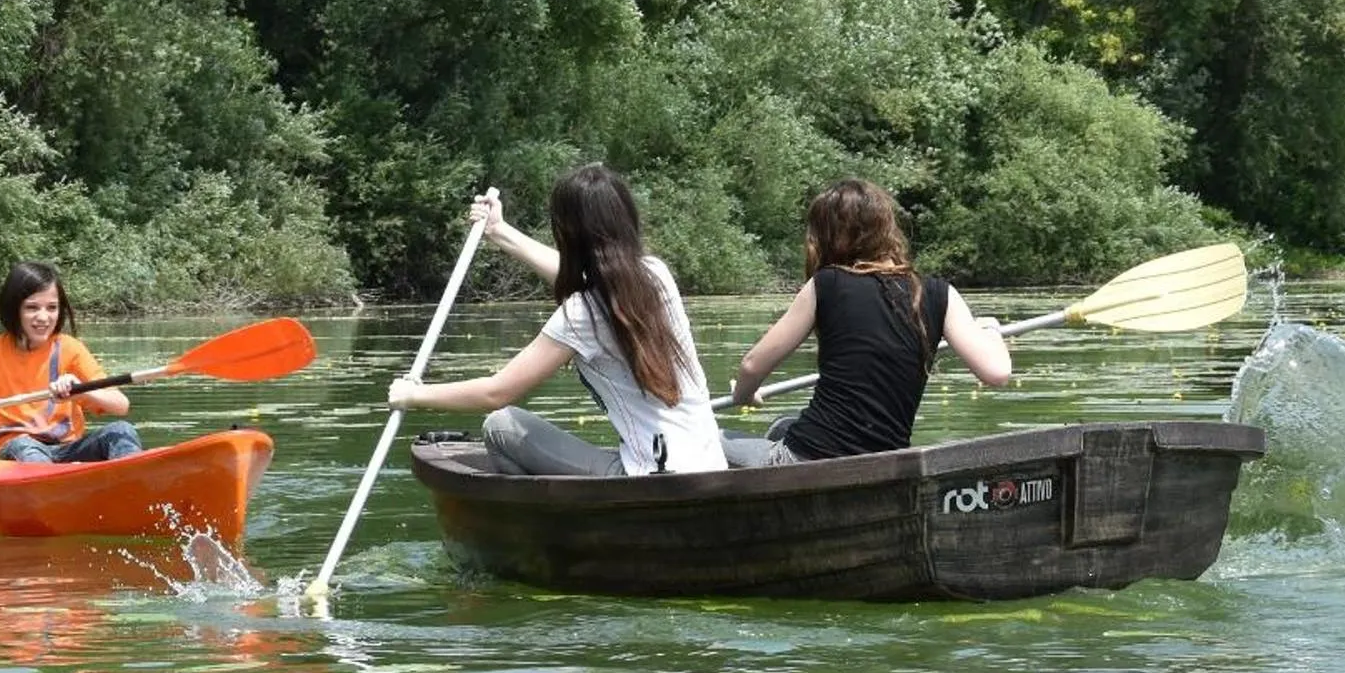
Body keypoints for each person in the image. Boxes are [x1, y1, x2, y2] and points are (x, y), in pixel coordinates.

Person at [386, 164, 726, 477]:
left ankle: (536, 527)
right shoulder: (656, 275)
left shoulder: (582, 314)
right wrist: (500, 231)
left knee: (502, 424)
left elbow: (497, 392)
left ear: (568, 233)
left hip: (644, 477)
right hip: (710, 467)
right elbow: (585, 279)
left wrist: (413, 396)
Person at [722, 177, 1012, 466]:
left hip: (805, 458)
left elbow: (751, 366)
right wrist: (990, 329)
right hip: (884, 463)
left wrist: (744, 395)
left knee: (704, 438)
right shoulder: (939, 292)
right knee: (783, 425)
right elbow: (997, 372)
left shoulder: (826, 284)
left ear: (827, 237)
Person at [0, 261, 144, 463]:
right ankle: (56, 484)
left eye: (52, 308)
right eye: (32, 307)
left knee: (120, 431)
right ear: (14, 309)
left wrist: (81, 389)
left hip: (66, 449)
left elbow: (121, 406)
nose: (43, 317)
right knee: (24, 445)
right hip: (13, 447)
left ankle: (132, 480)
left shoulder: (70, 348)